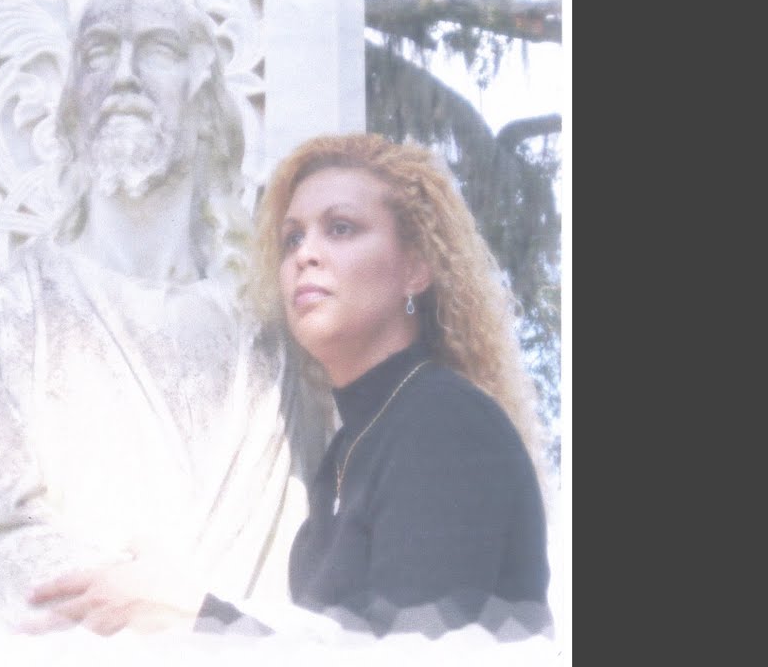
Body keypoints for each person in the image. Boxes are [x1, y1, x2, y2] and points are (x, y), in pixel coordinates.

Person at [0, 0, 329, 634]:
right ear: (72, 106)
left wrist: (212, 620)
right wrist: (169, 616)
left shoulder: (276, 346)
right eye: (100, 51)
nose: (124, 74)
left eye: (158, 48)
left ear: (206, 105)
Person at [30, 133, 553, 639]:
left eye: (341, 228)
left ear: (416, 268)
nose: (306, 254)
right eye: (292, 238)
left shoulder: (448, 426)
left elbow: (412, 652)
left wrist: (193, 616)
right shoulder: (343, 455)